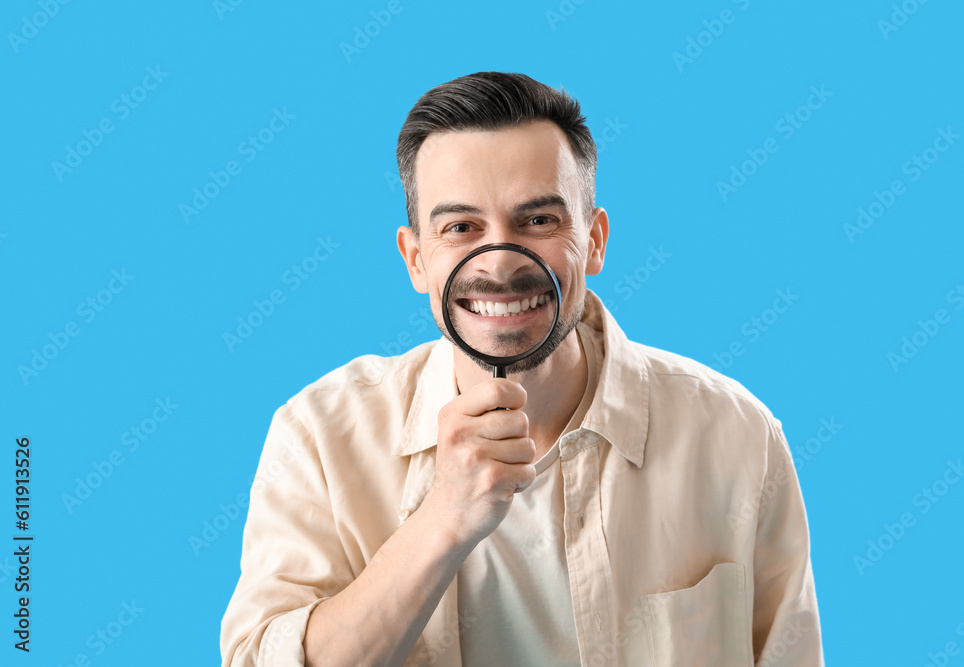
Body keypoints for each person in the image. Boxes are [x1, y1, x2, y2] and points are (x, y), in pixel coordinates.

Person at [221, 71, 824, 666]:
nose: (502, 264)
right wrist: (445, 517)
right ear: (416, 260)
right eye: (461, 227)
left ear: (594, 240)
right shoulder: (319, 437)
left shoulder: (738, 436)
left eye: (538, 221)